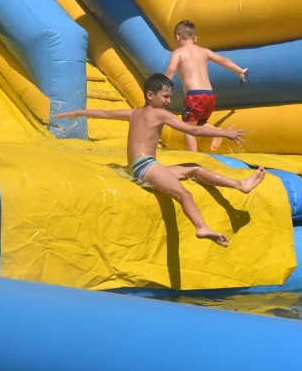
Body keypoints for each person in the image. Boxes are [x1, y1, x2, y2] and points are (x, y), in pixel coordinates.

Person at [56, 73, 266, 247]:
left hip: (138, 168)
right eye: (165, 96)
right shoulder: (160, 114)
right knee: (184, 194)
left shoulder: (134, 112)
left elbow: (104, 113)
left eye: (169, 96)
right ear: (150, 95)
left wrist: (77, 112)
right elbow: (191, 129)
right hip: (146, 166)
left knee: (194, 169)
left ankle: (240, 184)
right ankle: (201, 227)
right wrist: (223, 133)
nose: (168, 101)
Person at [163, 20, 248, 152]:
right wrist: (239, 70)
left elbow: (171, 69)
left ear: (177, 37)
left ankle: (194, 157)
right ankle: (217, 132)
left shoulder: (178, 53)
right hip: (209, 96)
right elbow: (223, 60)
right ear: (195, 38)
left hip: (194, 96)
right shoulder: (204, 51)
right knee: (199, 123)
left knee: (188, 128)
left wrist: (163, 88)